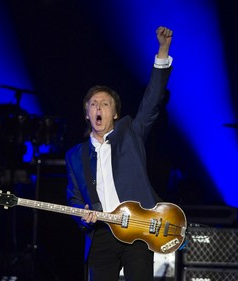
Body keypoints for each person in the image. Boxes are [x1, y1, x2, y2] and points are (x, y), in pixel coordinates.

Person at [65, 26, 173, 281]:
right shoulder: (75, 155)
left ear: (114, 113)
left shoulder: (131, 135)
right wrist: (83, 214)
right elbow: (73, 197)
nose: (98, 107)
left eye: (104, 103)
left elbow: (152, 100)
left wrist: (163, 51)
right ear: (87, 115)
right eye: (93, 104)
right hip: (102, 233)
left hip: (137, 229)